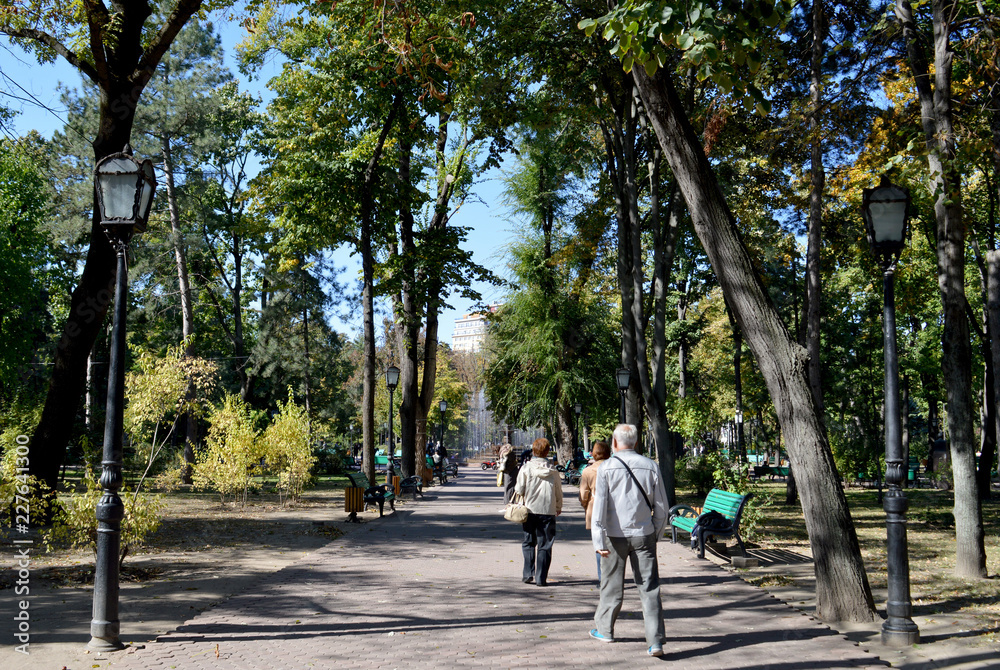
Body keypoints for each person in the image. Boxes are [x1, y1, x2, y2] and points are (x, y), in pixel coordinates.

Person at [589, 424, 668, 657]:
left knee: (611, 585)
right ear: (636, 443)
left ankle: (605, 630)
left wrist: (598, 541)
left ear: (614, 442)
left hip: (614, 536)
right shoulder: (651, 466)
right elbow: (661, 508)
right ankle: (655, 642)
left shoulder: (607, 468)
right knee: (650, 588)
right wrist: (655, 533)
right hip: (644, 534)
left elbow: (599, 509)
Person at [514, 437, 563, 586]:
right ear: (547, 451)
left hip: (529, 509)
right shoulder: (553, 470)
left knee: (529, 542)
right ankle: (541, 578)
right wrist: (558, 506)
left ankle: (528, 573)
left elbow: (519, 489)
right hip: (547, 510)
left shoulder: (526, 468)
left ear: (533, 451)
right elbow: (558, 491)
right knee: (545, 545)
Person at [578, 440, 611, 579]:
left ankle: (602, 577)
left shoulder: (588, 471)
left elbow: (583, 494)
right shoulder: (613, 468)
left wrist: (586, 506)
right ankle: (612, 575)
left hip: (595, 507)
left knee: (599, 543)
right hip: (614, 509)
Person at [497, 443, 519, 510]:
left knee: (508, 488)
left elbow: (503, 466)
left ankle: (508, 505)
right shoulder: (511, 453)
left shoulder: (505, 454)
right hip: (513, 471)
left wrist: (499, 466)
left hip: (508, 472)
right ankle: (510, 503)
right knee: (511, 487)